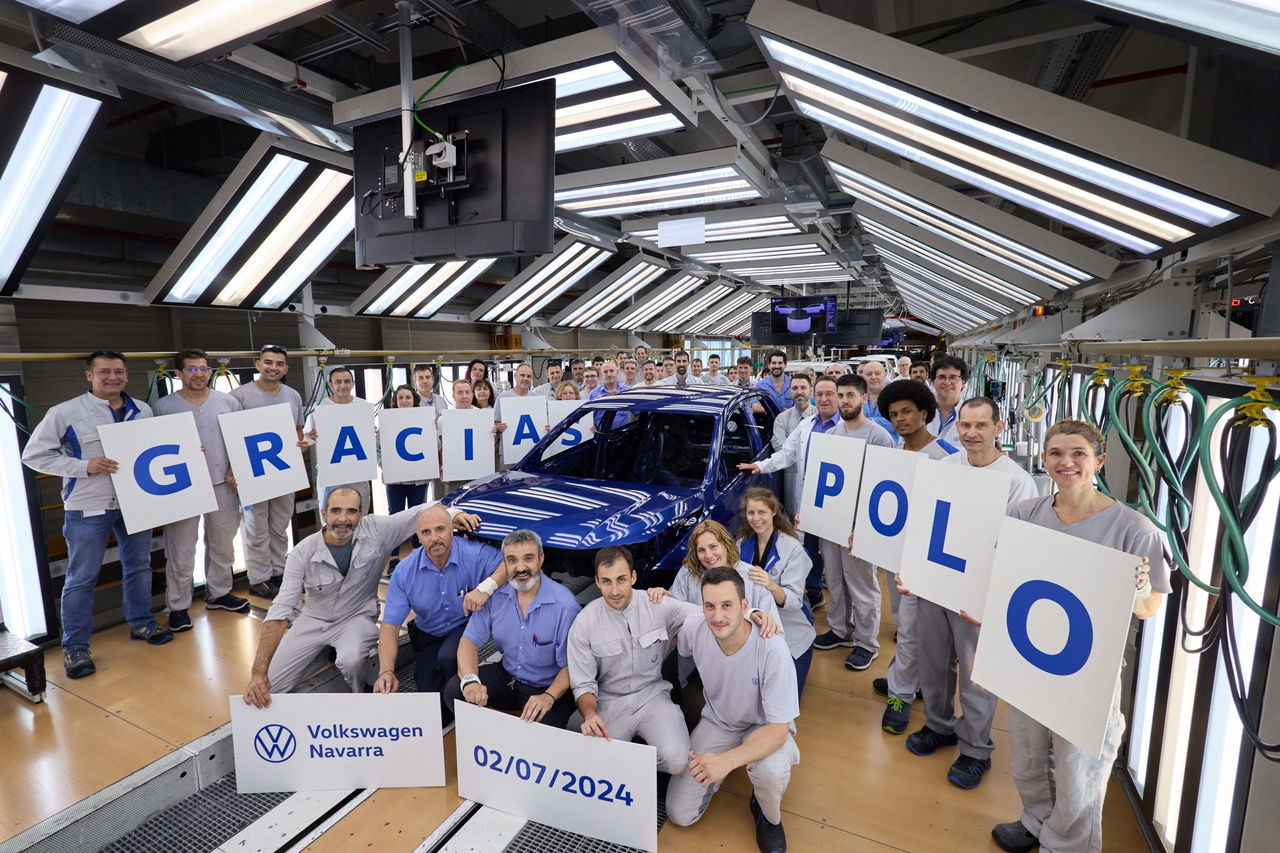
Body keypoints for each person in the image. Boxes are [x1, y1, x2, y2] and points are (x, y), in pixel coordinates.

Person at [989, 420, 1167, 853]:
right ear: (1045, 459)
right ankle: (1035, 820)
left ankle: (1068, 844)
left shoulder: (1134, 528)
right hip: (1028, 659)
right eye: (1055, 454)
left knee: (1077, 767)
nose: (1065, 463)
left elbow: (1150, 608)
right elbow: (1004, 585)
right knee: (1028, 756)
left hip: (1086, 670)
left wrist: (1138, 588)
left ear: (1099, 461)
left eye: (1078, 454)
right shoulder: (1024, 516)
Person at [896, 397, 1038, 791]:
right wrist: (911, 571)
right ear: (955, 428)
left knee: (977, 677)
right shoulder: (943, 468)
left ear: (998, 429)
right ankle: (939, 725)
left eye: (981, 426)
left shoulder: (1017, 482)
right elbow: (924, 524)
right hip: (935, 584)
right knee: (934, 662)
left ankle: (976, 749)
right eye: (965, 425)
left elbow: (1017, 547)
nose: (972, 433)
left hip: (980, 593)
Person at [243, 489, 479, 706]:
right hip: (313, 620)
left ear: (362, 514)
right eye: (336, 511)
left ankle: (362, 699)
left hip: (357, 617)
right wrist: (258, 671)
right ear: (324, 514)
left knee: (351, 659)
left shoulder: (378, 529)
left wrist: (454, 513)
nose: (343, 518)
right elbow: (280, 611)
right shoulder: (301, 553)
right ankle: (323, 653)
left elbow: (423, 510)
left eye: (351, 511)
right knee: (270, 688)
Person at [23, 350, 172, 678]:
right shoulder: (66, 413)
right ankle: (75, 647)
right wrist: (82, 466)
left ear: (127, 376)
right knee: (81, 577)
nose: (113, 377)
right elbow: (33, 455)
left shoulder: (142, 410)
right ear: (89, 376)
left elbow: (155, 449)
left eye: (119, 372)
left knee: (139, 565)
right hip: (88, 505)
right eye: (104, 372)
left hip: (137, 502)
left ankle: (142, 623)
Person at [569, 547, 780, 773]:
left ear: (633, 577)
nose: (615, 590)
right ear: (597, 582)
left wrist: (752, 614)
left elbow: (707, 613)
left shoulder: (658, 604)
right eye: (606, 582)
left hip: (652, 697)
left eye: (621, 580)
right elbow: (583, 683)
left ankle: (627, 767)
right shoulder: (584, 623)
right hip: (609, 702)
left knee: (678, 760)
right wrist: (590, 714)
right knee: (592, 765)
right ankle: (625, 770)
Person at [746, 375, 894, 670]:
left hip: (859, 530)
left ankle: (866, 643)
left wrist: (865, 529)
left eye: (850, 395)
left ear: (863, 398)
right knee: (836, 582)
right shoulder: (832, 434)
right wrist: (812, 511)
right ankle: (840, 630)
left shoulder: (878, 436)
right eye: (841, 395)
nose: (843, 400)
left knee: (862, 586)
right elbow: (823, 480)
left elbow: (886, 490)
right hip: (831, 522)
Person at [664, 566, 799, 853]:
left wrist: (725, 762)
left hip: (764, 728)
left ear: (745, 606)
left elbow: (778, 729)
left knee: (769, 771)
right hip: (720, 722)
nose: (717, 615)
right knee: (680, 814)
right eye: (710, 606)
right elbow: (673, 624)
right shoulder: (695, 628)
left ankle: (767, 814)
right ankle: (724, 771)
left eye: (727, 605)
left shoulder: (772, 648)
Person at [875, 378, 958, 735]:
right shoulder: (896, 453)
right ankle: (907, 680)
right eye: (893, 414)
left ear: (924, 412)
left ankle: (900, 697)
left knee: (912, 631)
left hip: (932, 561)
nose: (900, 419)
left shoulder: (947, 458)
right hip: (899, 557)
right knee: (905, 626)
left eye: (907, 411)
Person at [373, 505, 507, 720]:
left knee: (447, 659)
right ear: (418, 536)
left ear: (451, 529)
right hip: (430, 634)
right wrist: (386, 671)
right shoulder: (404, 572)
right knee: (426, 693)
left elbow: (509, 561)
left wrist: (486, 588)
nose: (434, 538)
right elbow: (390, 626)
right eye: (426, 532)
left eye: (440, 529)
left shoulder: (473, 553)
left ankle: (459, 701)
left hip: (464, 625)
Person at [444, 529, 581, 728]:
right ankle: (490, 739)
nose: (520, 567)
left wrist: (548, 697)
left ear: (541, 560)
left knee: (542, 741)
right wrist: (471, 681)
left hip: (549, 686)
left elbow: (574, 666)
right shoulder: (495, 596)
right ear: (505, 564)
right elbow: (469, 641)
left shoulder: (565, 606)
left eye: (528, 559)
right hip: (509, 676)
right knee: (455, 690)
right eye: (512, 560)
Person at [153, 348, 249, 632]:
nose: (199, 374)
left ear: (210, 371)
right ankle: (178, 606)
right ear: (179, 373)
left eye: (203, 368)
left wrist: (235, 467)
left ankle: (218, 593)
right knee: (181, 551)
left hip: (222, 483)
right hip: (183, 488)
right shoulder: (163, 407)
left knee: (222, 544)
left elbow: (239, 439)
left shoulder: (227, 402)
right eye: (192, 369)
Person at [231, 344, 306, 599]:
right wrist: (234, 468)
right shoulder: (239, 396)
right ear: (258, 364)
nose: (273, 367)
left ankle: (278, 572)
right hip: (253, 473)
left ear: (285, 368)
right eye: (268, 362)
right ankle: (259, 578)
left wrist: (300, 447)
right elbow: (229, 435)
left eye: (278, 364)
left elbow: (298, 430)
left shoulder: (292, 396)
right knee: (256, 527)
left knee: (280, 525)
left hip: (283, 470)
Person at [737, 489, 816, 697]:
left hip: (792, 637)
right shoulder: (741, 545)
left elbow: (794, 600)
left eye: (761, 512)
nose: (756, 518)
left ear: (773, 511)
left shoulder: (792, 549)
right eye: (751, 513)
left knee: (785, 704)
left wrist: (771, 585)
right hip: (756, 634)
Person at [770, 373, 822, 610]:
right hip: (792, 486)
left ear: (810, 390)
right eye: (795, 388)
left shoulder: (820, 419)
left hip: (820, 491)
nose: (799, 392)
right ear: (790, 392)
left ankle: (814, 590)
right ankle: (794, 591)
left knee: (816, 544)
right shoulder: (782, 419)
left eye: (803, 388)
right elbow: (781, 448)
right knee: (794, 542)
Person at [305, 366, 373, 513]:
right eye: (338, 382)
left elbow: (370, 437)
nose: (343, 386)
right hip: (331, 473)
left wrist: (372, 432)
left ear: (353, 383)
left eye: (347, 381)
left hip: (358, 471)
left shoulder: (362, 406)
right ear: (331, 384)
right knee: (330, 516)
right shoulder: (320, 407)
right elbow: (306, 440)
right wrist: (309, 437)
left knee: (360, 514)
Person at [381, 385, 429, 515]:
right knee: (395, 514)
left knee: (418, 515)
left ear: (414, 400)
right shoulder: (387, 421)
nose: (404, 400)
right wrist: (384, 466)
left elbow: (436, 446)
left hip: (418, 478)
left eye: (408, 397)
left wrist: (432, 428)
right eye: (400, 398)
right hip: (395, 479)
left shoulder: (425, 420)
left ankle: (416, 537)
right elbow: (377, 448)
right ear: (395, 401)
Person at [928, 356, 968, 447]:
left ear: (963, 382)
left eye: (953, 377)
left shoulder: (972, 415)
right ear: (933, 382)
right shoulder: (920, 412)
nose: (947, 382)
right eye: (941, 377)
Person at [858, 360, 894, 434]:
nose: (873, 377)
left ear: (885, 375)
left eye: (877, 373)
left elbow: (893, 423)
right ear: (863, 377)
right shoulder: (857, 398)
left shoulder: (894, 397)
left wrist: (865, 421)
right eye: (869, 374)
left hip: (887, 444)